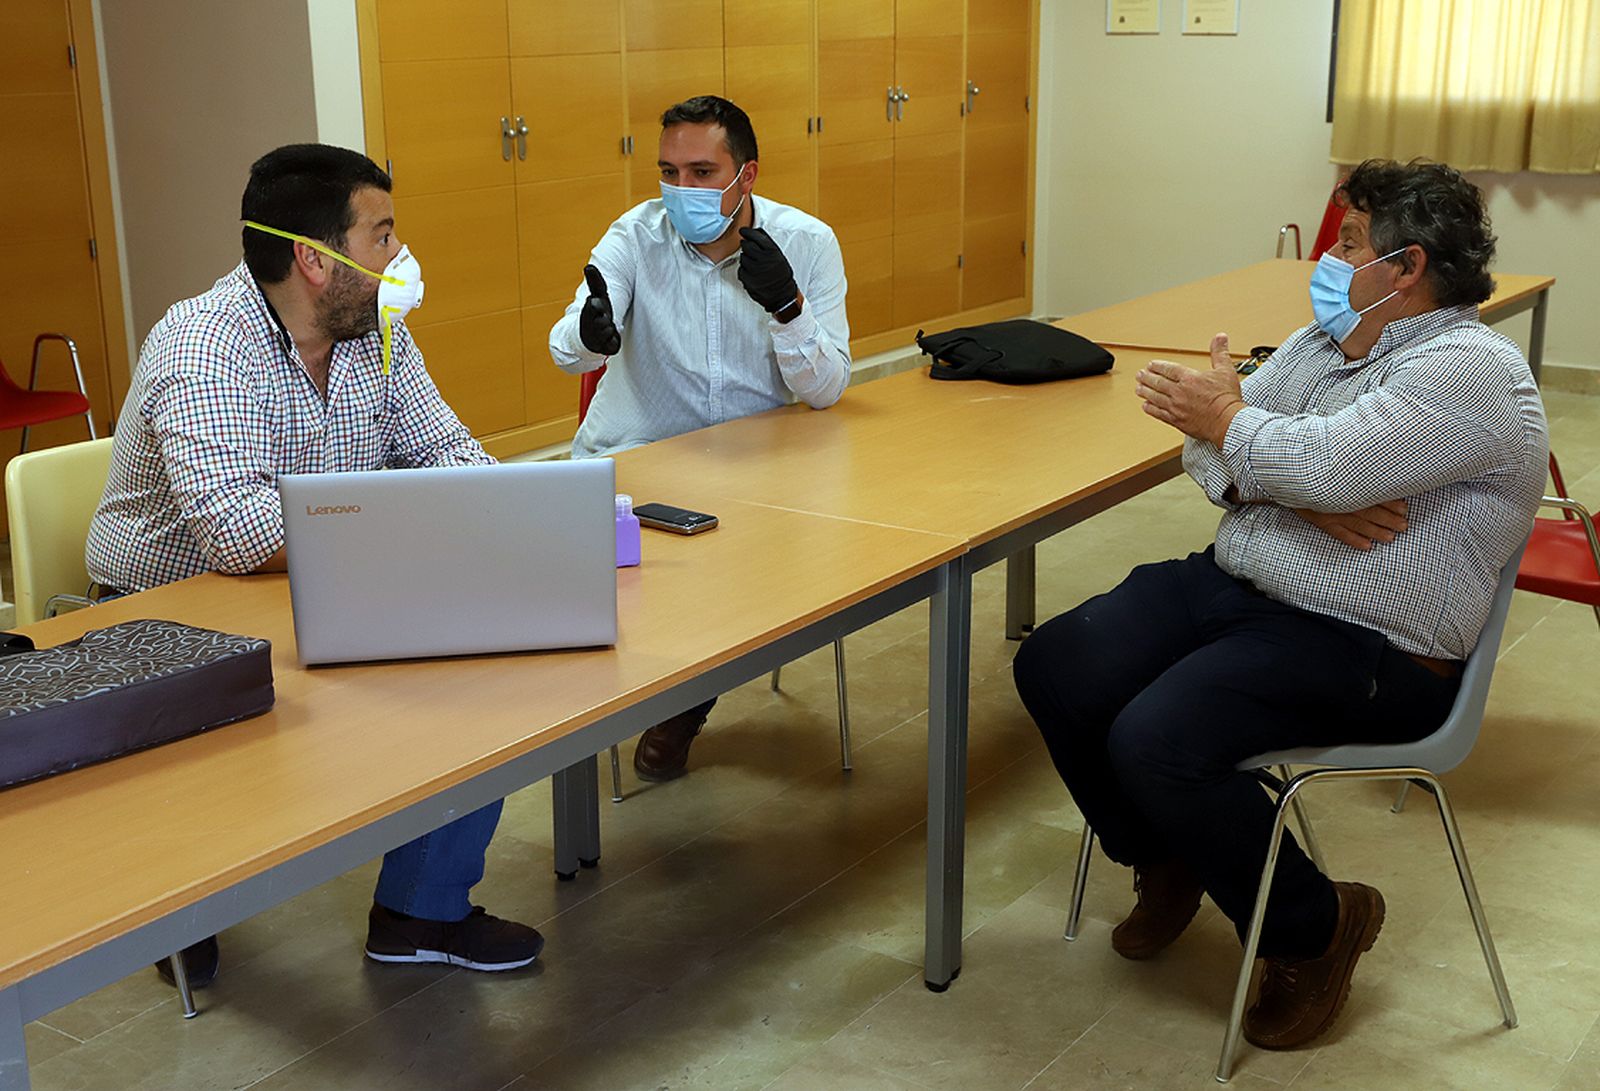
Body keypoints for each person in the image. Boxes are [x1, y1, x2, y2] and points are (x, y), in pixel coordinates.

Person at [1011, 159, 1547, 1050]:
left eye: (1347, 242)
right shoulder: (1321, 345)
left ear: (1406, 266)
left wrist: (1244, 434)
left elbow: (1304, 456)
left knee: (1157, 739)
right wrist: (1288, 482)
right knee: (1059, 662)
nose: (1329, 261)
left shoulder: (1471, 371)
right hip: (1244, 583)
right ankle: (1167, 853)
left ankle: (1316, 926)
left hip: (1371, 640)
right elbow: (1226, 462)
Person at [86, 143, 544, 990]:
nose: (400, 257)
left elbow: (445, 452)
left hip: (330, 580)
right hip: (172, 617)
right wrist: (407, 527)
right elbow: (236, 530)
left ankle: (420, 912)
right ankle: (175, 893)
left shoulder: (375, 336)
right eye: (382, 235)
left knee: (487, 660)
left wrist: (503, 514)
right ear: (313, 258)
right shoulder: (203, 343)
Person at [550, 95, 851, 782]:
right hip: (640, 463)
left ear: (746, 176)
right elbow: (569, 348)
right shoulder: (633, 236)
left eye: (700, 171)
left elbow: (827, 389)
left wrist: (788, 310)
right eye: (668, 171)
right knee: (597, 591)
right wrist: (588, 335)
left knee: (758, 565)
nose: (681, 189)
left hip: (758, 477)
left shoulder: (806, 243)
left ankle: (685, 694)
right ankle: (647, 695)